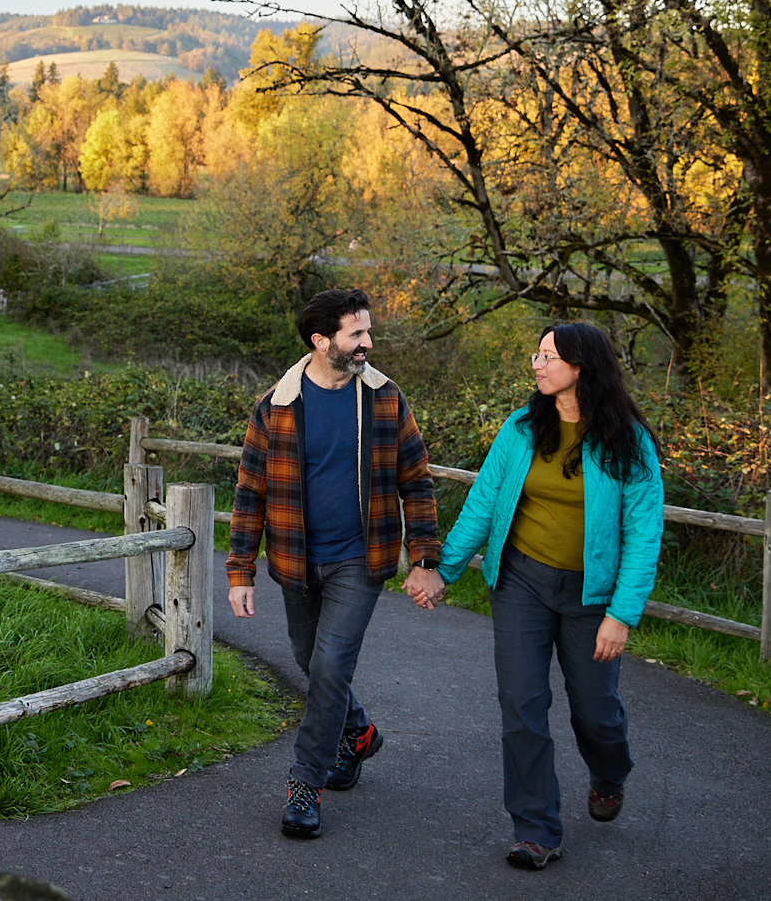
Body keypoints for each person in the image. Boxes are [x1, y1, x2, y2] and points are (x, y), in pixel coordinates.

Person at [405, 322, 664, 871]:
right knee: (522, 705)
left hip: (592, 598)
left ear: (581, 366)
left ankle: (610, 773)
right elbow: (483, 502)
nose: (536, 365)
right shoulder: (523, 428)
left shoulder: (628, 443)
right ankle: (535, 828)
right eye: (537, 354)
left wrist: (622, 614)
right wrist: (440, 569)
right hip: (521, 582)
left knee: (596, 713)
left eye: (547, 356)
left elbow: (644, 536)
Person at [227, 287, 441, 840]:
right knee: (307, 658)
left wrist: (423, 558)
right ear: (322, 342)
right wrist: (240, 570)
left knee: (328, 668)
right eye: (356, 334)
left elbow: (416, 481)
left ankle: (305, 784)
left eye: (368, 331)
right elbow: (250, 492)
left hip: (359, 560)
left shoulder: (386, 399)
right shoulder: (277, 405)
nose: (368, 342)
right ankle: (359, 733)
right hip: (296, 562)